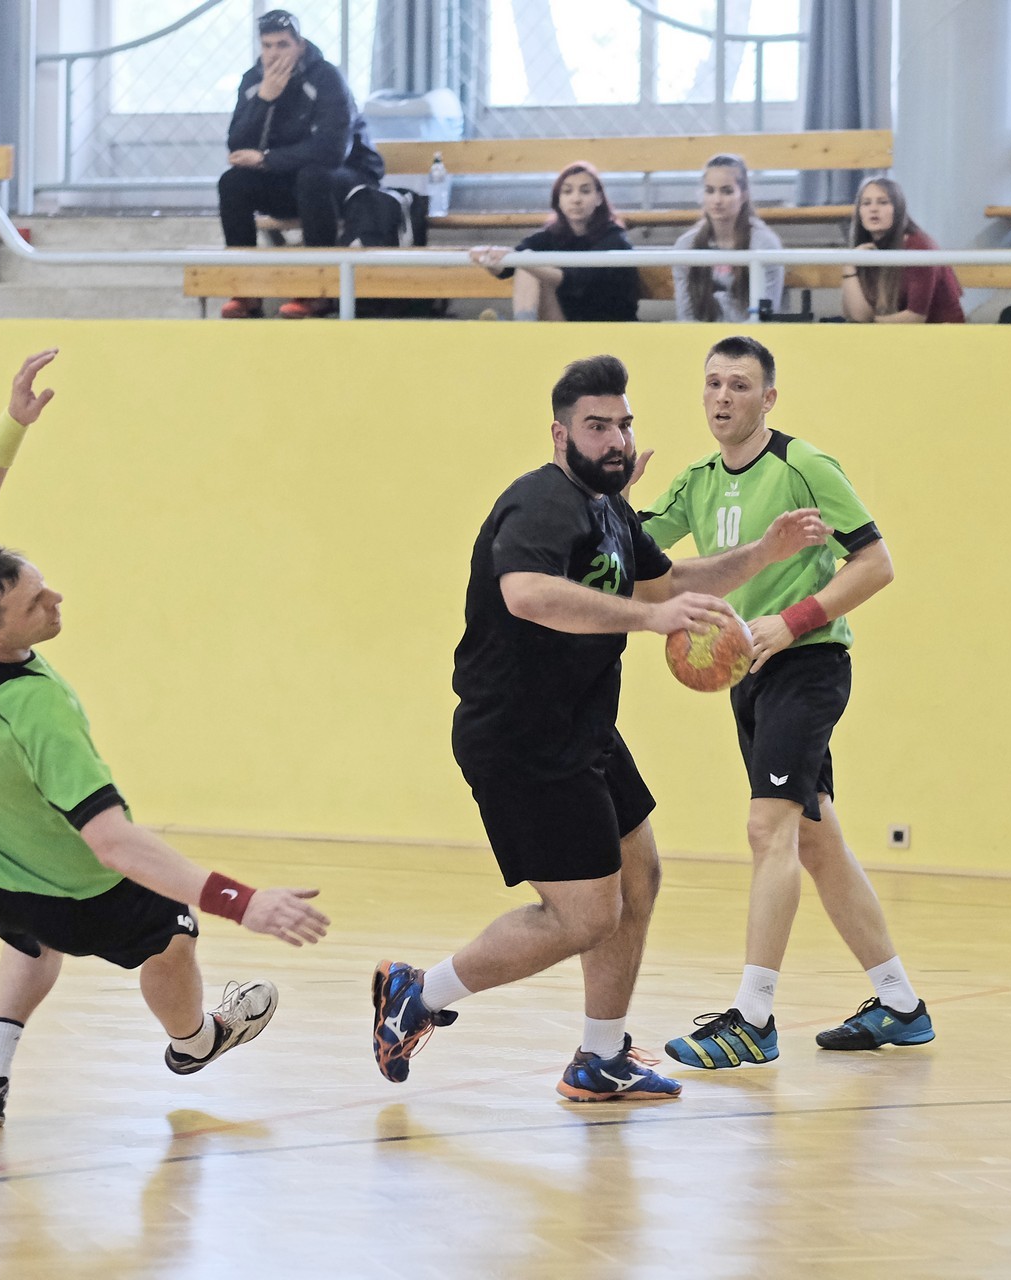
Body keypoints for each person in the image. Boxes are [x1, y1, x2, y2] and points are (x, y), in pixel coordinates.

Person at [370, 354, 828, 1102]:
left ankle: (601, 1056)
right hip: (520, 736)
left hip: (583, 727)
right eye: (597, 426)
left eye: (623, 424)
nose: (616, 440)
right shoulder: (541, 503)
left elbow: (669, 582)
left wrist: (763, 554)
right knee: (583, 917)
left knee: (639, 877)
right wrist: (650, 620)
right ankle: (416, 996)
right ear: (561, 435)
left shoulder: (610, 509)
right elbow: (526, 593)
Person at [0, 349, 331, 1127]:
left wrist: (12, 424)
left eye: (42, 583)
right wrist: (246, 903)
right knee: (173, 936)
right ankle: (197, 1042)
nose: (55, 599)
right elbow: (114, 845)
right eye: (35, 604)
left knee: (29, 936)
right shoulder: (36, 711)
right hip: (82, 892)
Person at [635, 334, 934, 1072]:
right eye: (713, 383)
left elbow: (877, 563)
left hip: (809, 662)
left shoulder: (805, 468)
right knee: (814, 838)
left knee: (767, 828)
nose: (722, 397)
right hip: (751, 675)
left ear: (768, 398)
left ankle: (752, 1018)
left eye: (739, 385)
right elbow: (635, 557)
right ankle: (900, 1004)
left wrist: (793, 620)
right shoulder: (697, 480)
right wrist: (608, 496)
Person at [218, 9, 384, 320]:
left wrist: (267, 159)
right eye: (267, 46)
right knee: (232, 182)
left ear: (300, 45)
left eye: (282, 45)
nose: (274, 54)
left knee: (313, 176)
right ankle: (244, 290)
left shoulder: (326, 77)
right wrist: (264, 99)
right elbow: (237, 148)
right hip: (289, 178)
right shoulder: (254, 80)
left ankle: (316, 291)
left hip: (348, 178)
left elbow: (332, 150)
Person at [468, 163, 640, 323]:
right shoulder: (549, 237)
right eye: (567, 191)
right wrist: (488, 257)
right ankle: (522, 330)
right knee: (526, 261)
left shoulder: (615, 239)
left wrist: (525, 260)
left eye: (585, 191)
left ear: (599, 198)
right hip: (562, 327)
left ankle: (516, 331)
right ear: (558, 199)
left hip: (611, 328)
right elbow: (507, 268)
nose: (576, 199)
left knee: (528, 261)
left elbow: (576, 281)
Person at [672, 153, 783, 323]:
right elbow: (685, 316)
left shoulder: (764, 244)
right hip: (699, 335)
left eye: (727, 191)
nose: (717, 200)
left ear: (743, 195)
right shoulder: (686, 245)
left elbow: (766, 314)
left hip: (750, 337)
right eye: (710, 191)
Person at [839, 177, 964, 324]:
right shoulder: (863, 249)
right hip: (890, 332)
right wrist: (849, 265)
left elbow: (915, 318)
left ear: (898, 208)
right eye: (866, 203)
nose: (873, 209)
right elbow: (858, 316)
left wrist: (871, 325)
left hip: (942, 333)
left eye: (883, 202)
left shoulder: (919, 247)